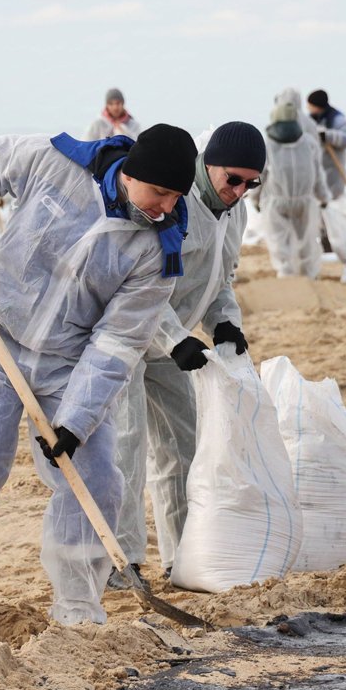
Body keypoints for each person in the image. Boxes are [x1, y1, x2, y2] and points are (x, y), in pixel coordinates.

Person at [0, 124, 198, 626]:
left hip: (67, 364)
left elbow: (118, 342)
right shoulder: (60, 163)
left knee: (95, 479)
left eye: (177, 196)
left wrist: (76, 420)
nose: (167, 207)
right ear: (130, 175)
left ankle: (77, 607)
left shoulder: (160, 251)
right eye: (160, 192)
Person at [111, 121, 263, 586]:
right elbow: (138, 286)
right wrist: (174, 338)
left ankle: (183, 555)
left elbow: (220, 278)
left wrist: (224, 322)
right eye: (231, 179)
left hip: (175, 348)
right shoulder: (175, 204)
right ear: (208, 164)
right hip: (124, 338)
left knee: (183, 448)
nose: (238, 191)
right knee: (125, 444)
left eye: (250, 183)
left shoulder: (234, 214)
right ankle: (121, 560)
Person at [254, 89, 330, 278]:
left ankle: (287, 274)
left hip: (277, 200)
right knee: (307, 240)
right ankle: (309, 275)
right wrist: (324, 196)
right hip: (304, 200)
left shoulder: (268, 144)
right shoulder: (310, 142)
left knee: (280, 241)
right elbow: (317, 173)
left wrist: (255, 198)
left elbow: (260, 175)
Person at [307, 89, 346, 201]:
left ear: (316, 105)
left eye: (309, 105)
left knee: (332, 201)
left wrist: (327, 135)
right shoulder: (311, 119)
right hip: (318, 169)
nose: (308, 108)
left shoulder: (337, 119)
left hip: (334, 170)